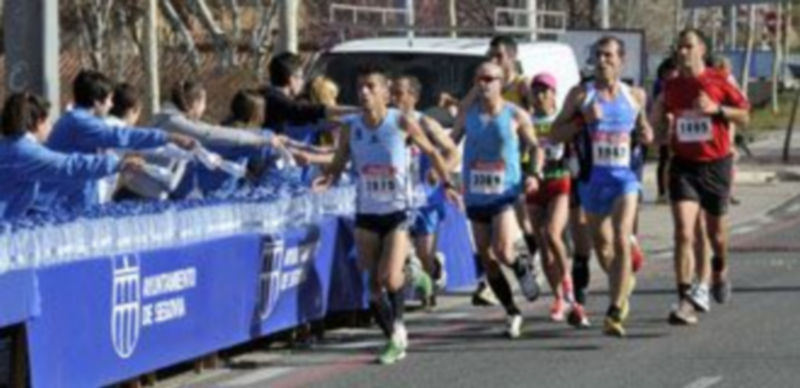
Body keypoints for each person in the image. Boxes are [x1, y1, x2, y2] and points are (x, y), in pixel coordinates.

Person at [313, 65, 459, 365]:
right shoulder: (351, 126)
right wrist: (328, 177)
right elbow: (341, 160)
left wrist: (447, 183)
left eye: (370, 87)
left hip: (397, 211)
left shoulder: (401, 122)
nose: (364, 93)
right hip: (366, 211)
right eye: (360, 88)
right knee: (373, 287)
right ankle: (395, 335)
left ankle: (403, 308)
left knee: (390, 279)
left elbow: (432, 152)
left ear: (385, 92)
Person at [551, 36, 653, 337]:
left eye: (609, 55)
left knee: (622, 239)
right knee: (603, 247)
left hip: (625, 179)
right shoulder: (580, 95)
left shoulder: (635, 96)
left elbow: (644, 130)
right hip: (592, 181)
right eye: (598, 55)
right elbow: (556, 133)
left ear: (621, 61)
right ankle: (623, 285)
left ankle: (615, 309)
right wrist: (582, 120)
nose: (603, 60)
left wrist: (647, 133)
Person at [650, 28, 750, 325]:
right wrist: (658, 132)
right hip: (684, 165)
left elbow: (745, 115)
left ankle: (719, 269)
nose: (682, 53)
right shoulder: (671, 86)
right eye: (679, 47)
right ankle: (686, 299)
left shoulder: (719, 80)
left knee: (715, 235)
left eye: (688, 47)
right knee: (684, 230)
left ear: (702, 49)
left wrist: (717, 109)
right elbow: (658, 124)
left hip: (715, 164)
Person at [451, 62, 541, 338]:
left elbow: (536, 147)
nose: (483, 84)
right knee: (488, 260)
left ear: (501, 83)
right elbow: (452, 143)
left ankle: (521, 266)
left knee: (502, 250)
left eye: (489, 79)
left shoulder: (515, 114)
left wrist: (534, 173)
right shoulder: (468, 114)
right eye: (479, 79)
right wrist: (440, 167)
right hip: (476, 194)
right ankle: (512, 311)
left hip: (504, 191)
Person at [38, 70, 194, 212]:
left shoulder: (78, 120)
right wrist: (168, 137)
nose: (111, 105)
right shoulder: (81, 123)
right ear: (97, 101)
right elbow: (122, 137)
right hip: (62, 202)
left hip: (74, 197)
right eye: (109, 100)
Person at [0, 92, 143, 220]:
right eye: (48, 121)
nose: (51, 126)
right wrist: (118, 164)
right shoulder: (23, 151)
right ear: (39, 122)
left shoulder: (10, 147)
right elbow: (69, 165)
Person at [524, 72, 587, 326]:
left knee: (553, 234)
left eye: (544, 91)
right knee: (543, 247)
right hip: (534, 184)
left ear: (553, 95)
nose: (540, 96)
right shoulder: (525, 120)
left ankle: (570, 288)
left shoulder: (560, 119)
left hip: (560, 179)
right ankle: (558, 296)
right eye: (536, 91)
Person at [391, 75, 460, 305]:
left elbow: (453, 153)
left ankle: (433, 269)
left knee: (424, 253)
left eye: (399, 93)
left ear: (413, 97)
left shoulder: (426, 124)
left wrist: (439, 172)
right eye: (392, 92)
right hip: (397, 197)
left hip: (426, 198)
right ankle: (407, 292)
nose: (393, 98)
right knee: (398, 251)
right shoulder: (387, 123)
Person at [262, 52, 358, 135]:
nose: (303, 81)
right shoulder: (277, 101)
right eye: (301, 77)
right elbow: (306, 111)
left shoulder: (267, 96)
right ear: (291, 80)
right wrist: (357, 111)